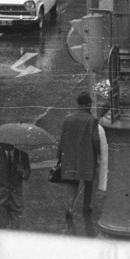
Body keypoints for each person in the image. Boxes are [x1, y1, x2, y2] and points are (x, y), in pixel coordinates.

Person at [56, 92, 101, 220]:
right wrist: (99, 153)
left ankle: (70, 207)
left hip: (70, 157)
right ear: (89, 104)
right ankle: (86, 206)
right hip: (87, 157)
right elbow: (95, 140)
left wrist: (59, 157)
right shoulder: (91, 120)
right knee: (88, 182)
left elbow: (62, 139)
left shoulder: (68, 118)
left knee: (72, 182)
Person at [0, 141, 31, 230]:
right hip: (0, 198)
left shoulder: (22, 155)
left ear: (11, 142)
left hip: (16, 198)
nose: (0, 144)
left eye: (3, 142)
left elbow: (27, 175)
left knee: (16, 227)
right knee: (0, 226)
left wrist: (22, 171)